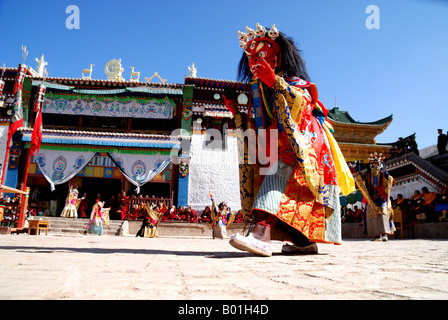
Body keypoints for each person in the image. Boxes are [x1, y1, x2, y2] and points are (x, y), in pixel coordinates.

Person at [228, 25, 355, 256]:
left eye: (262, 56)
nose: (256, 61)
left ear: (277, 57)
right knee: (281, 188)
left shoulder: (296, 83)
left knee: (279, 179)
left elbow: (302, 104)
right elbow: (262, 127)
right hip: (278, 145)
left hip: (304, 142)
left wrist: (276, 83)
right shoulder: (258, 91)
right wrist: (238, 115)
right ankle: (303, 242)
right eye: (252, 58)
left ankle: (260, 235)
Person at [355, 153, 395, 241]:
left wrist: (388, 179)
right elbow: (360, 177)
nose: (375, 165)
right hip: (371, 197)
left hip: (381, 197)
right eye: (373, 163)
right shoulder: (367, 174)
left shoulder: (384, 174)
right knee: (371, 215)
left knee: (383, 213)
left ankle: (385, 234)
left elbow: (388, 181)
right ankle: (376, 235)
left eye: (377, 163)